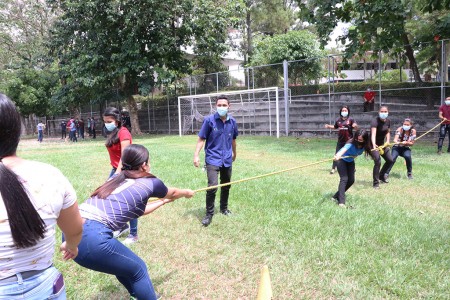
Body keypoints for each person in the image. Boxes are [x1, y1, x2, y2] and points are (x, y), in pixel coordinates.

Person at [74, 144, 194, 300]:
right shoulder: (151, 182)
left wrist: (161, 202)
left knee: (121, 264)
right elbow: (174, 193)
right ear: (144, 165)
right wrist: (186, 193)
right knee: (139, 269)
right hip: (94, 239)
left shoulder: (114, 180)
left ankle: (137, 295)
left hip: (72, 236)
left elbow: (136, 211)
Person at [0, 93, 83, 299]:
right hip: (46, 287)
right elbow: (75, 229)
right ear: (17, 130)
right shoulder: (50, 174)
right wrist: (71, 246)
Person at [193, 95, 238, 227]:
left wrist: (235, 153)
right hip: (213, 158)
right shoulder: (209, 121)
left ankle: (224, 209)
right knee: (212, 186)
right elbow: (201, 139)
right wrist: (196, 155)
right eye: (219, 105)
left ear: (229, 106)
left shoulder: (232, 122)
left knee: (226, 185)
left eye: (224, 105)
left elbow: (233, 140)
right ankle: (209, 214)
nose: (222, 107)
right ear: (215, 106)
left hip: (227, 159)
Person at [103, 107, 137, 244]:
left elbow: (125, 155)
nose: (107, 124)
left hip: (126, 170)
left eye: (109, 121)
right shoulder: (113, 133)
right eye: (105, 121)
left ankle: (134, 234)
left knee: (129, 201)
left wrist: (117, 174)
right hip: (116, 169)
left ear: (117, 121)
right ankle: (122, 226)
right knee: (109, 197)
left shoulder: (124, 133)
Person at [332, 129, 370, 207]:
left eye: (360, 140)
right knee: (344, 179)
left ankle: (335, 196)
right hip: (341, 160)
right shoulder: (351, 143)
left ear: (365, 139)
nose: (357, 140)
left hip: (350, 161)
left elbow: (370, 149)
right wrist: (338, 155)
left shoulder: (365, 145)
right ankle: (341, 202)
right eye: (356, 138)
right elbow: (344, 149)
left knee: (351, 180)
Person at [324, 105, 358, 174]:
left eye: (345, 110)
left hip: (349, 141)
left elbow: (356, 128)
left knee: (350, 154)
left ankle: (353, 168)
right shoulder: (338, 120)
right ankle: (333, 168)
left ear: (348, 111)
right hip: (340, 141)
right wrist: (328, 126)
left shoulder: (351, 120)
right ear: (341, 112)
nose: (344, 112)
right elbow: (335, 127)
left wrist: (356, 126)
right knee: (337, 154)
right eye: (343, 110)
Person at [370, 106, 394, 188]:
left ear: (388, 112)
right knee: (378, 161)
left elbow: (388, 131)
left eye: (385, 111)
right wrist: (373, 144)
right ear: (378, 112)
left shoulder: (388, 121)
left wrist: (388, 141)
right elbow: (373, 134)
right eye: (382, 111)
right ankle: (376, 183)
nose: (383, 113)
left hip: (382, 144)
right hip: (373, 144)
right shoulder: (375, 121)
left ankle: (381, 175)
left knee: (390, 160)